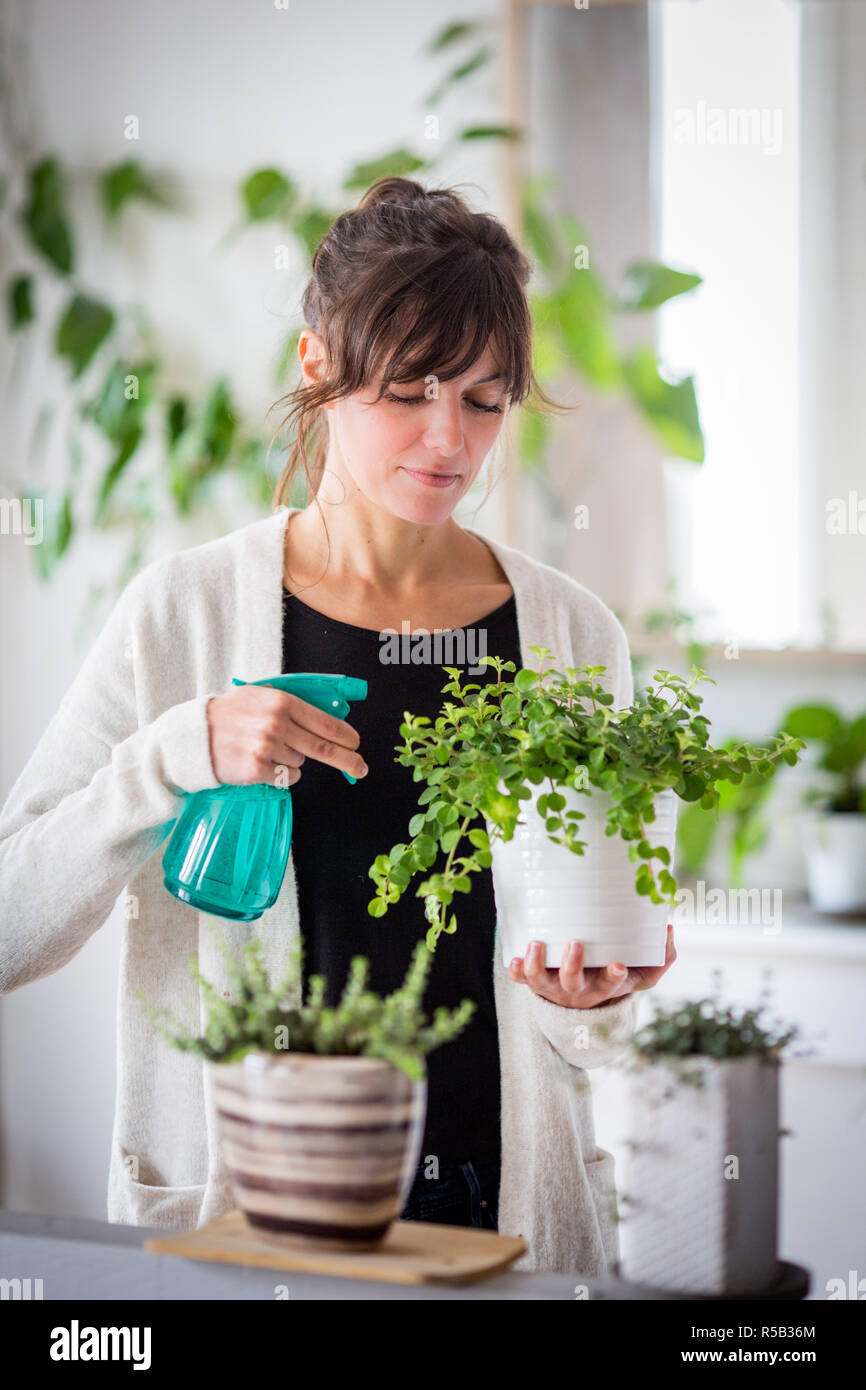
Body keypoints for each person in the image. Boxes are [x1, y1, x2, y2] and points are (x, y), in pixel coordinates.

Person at [0, 177, 675, 1275]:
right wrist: (177, 754)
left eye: (483, 398)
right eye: (407, 391)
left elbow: (584, 1016)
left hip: (498, 1224)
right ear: (317, 367)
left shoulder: (570, 632)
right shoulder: (182, 613)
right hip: (250, 1222)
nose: (447, 438)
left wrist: (587, 1001)